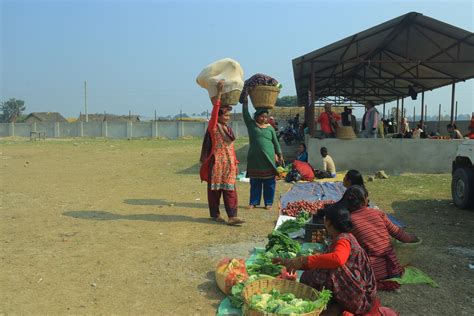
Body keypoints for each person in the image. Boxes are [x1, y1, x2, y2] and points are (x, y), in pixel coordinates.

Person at [272, 203, 377, 315]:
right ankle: (335, 303)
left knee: (321, 272)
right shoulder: (343, 236)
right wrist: (292, 262)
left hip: (360, 299)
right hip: (360, 293)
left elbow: (337, 259)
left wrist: (303, 260)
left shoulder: (344, 240)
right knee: (319, 266)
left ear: (328, 222)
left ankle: (338, 306)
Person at [341, 185, 419, 281]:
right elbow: (399, 235)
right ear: (365, 201)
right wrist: (413, 238)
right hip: (392, 268)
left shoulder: (348, 220)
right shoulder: (378, 213)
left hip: (369, 271)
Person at [199, 81, 245, 226]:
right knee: (215, 190)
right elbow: (215, 110)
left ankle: (232, 217)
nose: (228, 117)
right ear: (218, 116)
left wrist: (236, 163)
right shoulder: (214, 127)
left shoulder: (228, 130)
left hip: (229, 163)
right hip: (217, 163)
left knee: (230, 189)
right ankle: (215, 214)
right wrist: (219, 93)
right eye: (226, 115)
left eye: (229, 115)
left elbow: (231, 148)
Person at [242, 97, 283, 210]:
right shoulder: (251, 125)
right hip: (255, 159)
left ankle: (268, 203)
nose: (264, 118)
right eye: (262, 116)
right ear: (256, 116)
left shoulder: (270, 128)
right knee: (255, 182)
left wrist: (279, 154)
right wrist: (245, 103)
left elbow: (275, 142)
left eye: (266, 117)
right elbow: (245, 115)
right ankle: (253, 202)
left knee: (269, 183)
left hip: (268, 159)